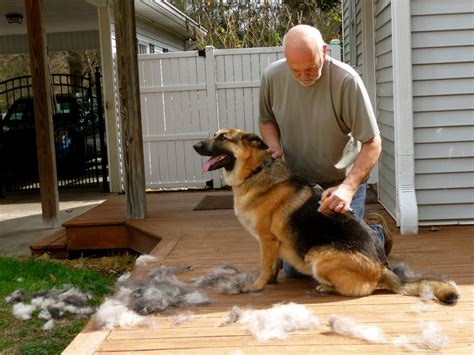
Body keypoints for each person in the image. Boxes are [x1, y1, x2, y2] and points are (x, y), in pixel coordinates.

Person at [258, 24, 392, 277]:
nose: (303, 76)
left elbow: (373, 143)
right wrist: (274, 144)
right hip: (299, 185)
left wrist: (349, 188)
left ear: (324, 50)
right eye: (295, 70)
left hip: (341, 183)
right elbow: (267, 120)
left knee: (348, 261)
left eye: (310, 68)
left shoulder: (346, 80)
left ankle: (375, 234)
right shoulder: (272, 76)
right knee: (298, 272)